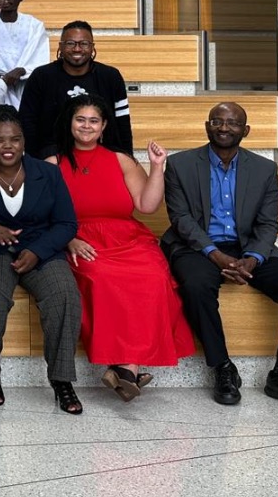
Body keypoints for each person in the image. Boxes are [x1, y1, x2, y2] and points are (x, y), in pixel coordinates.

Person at [163, 102, 278, 412]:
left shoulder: (264, 169)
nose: (224, 128)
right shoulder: (180, 164)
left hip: (249, 246)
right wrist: (215, 254)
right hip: (197, 246)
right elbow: (181, 218)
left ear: (245, 130)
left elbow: (268, 223)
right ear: (207, 126)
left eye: (233, 123)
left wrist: (253, 258)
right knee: (195, 287)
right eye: (217, 121)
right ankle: (222, 367)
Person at [48, 95, 191, 401]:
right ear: (70, 124)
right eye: (80, 119)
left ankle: (125, 369)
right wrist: (67, 240)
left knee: (152, 276)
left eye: (93, 121)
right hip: (79, 239)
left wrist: (156, 166)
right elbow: (40, 214)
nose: (86, 126)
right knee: (101, 277)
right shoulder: (52, 164)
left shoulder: (120, 159)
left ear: (104, 127)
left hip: (128, 238)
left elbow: (147, 205)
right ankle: (128, 370)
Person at [0, 106, 84, 415]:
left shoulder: (48, 173)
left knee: (65, 295)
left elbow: (67, 224)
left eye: (14, 139)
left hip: (40, 249)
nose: (7, 146)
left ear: (24, 141)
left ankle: (62, 380)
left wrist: (38, 251)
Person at [20, 21, 133, 159]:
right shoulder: (41, 76)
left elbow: (122, 123)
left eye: (84, 43)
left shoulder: (110, 77)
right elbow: (28, 123)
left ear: (92, 47)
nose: (77, 49)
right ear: (60, 46)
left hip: (101, 155)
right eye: (70, 43)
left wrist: (128, 158)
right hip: (51, 157)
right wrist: (33, 164)